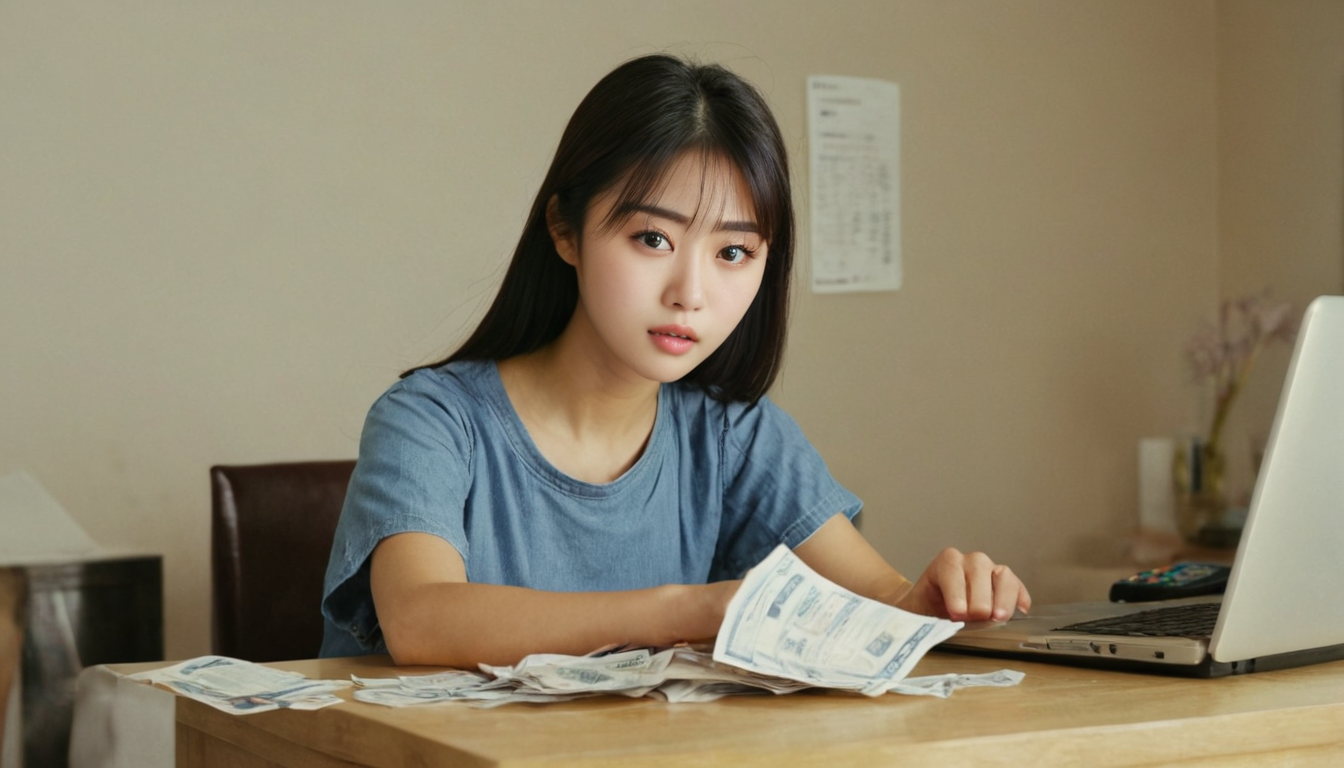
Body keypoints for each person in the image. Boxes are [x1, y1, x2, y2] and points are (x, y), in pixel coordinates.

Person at [320, 54, 1030, 667]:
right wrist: (683, 610)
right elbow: (421, 620)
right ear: (565, 229)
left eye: (733, 252)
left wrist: (936, 602)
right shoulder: (430, 421)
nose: (691, 293)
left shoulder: (733, 436)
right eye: (653, 239)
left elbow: (881, 600)